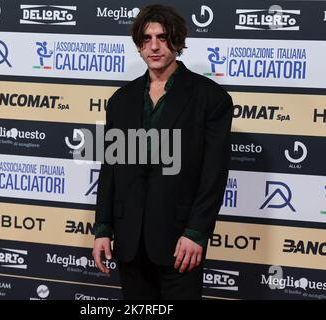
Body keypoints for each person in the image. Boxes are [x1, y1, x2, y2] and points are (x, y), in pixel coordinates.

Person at [92, 4, 233, 300]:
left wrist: (196, 232)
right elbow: (111, 169)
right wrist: (102, 227)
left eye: (162, 37)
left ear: (177, 41)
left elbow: (214, 174)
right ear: (139, 45)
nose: (154, 46)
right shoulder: (121, 100)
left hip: (180, 241)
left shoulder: (210, 98)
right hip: (129, 240)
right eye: (146, 39)